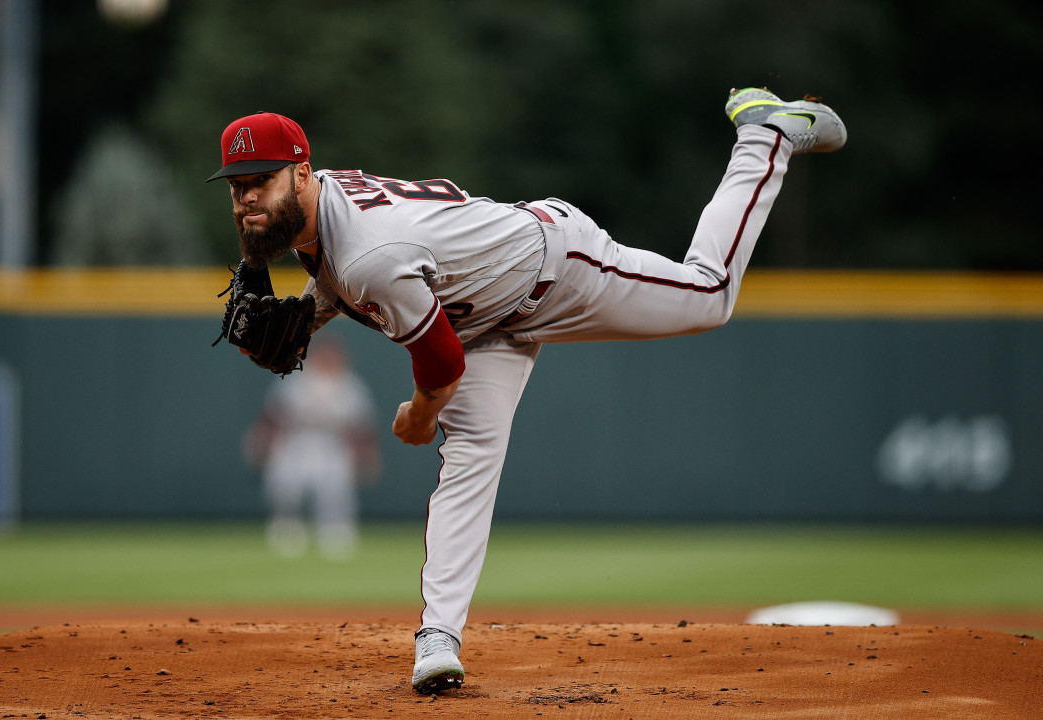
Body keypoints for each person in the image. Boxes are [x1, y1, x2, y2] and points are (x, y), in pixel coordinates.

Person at [204, 88, 847, 693]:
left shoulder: (369, 254)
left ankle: (763, 137)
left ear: (304, 173)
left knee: (708, 296)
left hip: (555, 270)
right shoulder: (322, 217)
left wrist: (421, 417)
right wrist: (302, 310)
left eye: (259, 181)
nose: (245, 200)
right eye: (236, 188)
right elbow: (346, 277)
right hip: (482, 314)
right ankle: (438, 639)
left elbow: (439, 358)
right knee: (470, 462)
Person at [244, 334, 380, 561]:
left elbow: (363, 427)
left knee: (336, 489)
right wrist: (261, 440)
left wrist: (367, 454)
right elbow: (272, 416)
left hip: (332, 444)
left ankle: (335, 532)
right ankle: (287, 527)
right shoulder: (295, 380)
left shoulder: (351, 385)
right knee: (285, 484)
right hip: (297, 440)